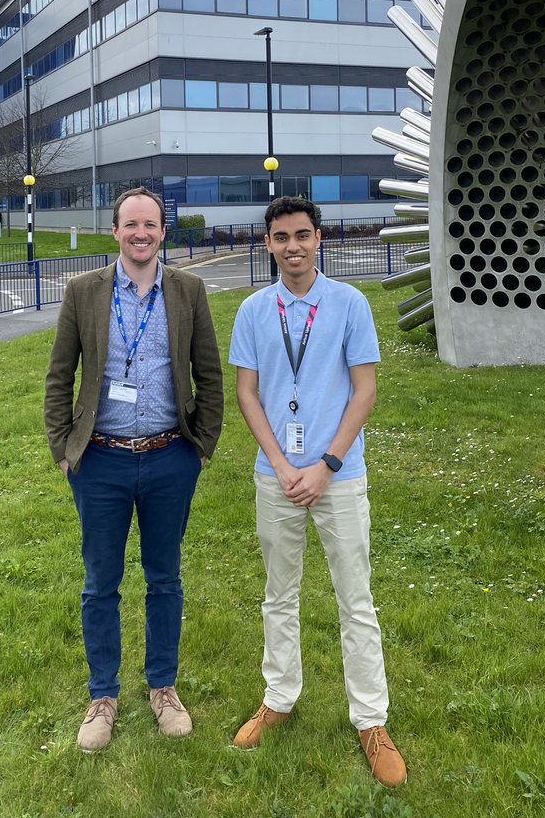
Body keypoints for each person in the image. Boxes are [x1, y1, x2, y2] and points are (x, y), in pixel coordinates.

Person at [228, 196, 406, 787]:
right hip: (275, 476)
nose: (293, 246)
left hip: (339, 474)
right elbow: (247, 394)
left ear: (319, 239)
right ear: (268, 245)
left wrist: (326, 464)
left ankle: (371, 720)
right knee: (279, 595)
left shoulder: (349, 304)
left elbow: (364, 391)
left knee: (356, 600)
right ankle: (279, 697)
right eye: (281, 238)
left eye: (302, 235)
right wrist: (281, 465)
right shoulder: (254, 311)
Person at [44, 186, 224, 752]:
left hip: (170, 457)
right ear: (115, 231)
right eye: (131, 224)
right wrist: (62, 448)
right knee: (101, 583)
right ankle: (103, 695)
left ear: (162, 231)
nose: (141, 233)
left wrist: (200, 449)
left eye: (151, 224)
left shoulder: (189, 291)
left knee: (164, 578)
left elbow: (210, 376)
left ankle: (162, 687)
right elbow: (59, 376)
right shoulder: (84, 292)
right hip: (99, 461)